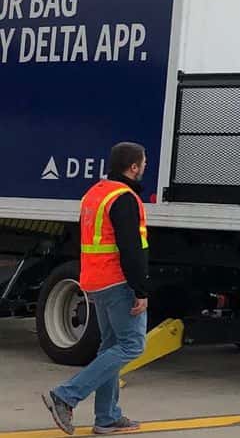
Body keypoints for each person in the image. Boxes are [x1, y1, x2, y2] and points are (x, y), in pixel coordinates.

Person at [43, 143, 150, 435]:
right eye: (143, 164)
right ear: (133, 168)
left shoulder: (95, 194)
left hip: (94, 280)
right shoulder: (125, 199)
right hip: (117, 282)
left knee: (110, 347)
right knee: (132, 345)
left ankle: (107, 418)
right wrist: (141, 290)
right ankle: (66, 396)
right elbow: (131, 249)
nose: (144, 169)